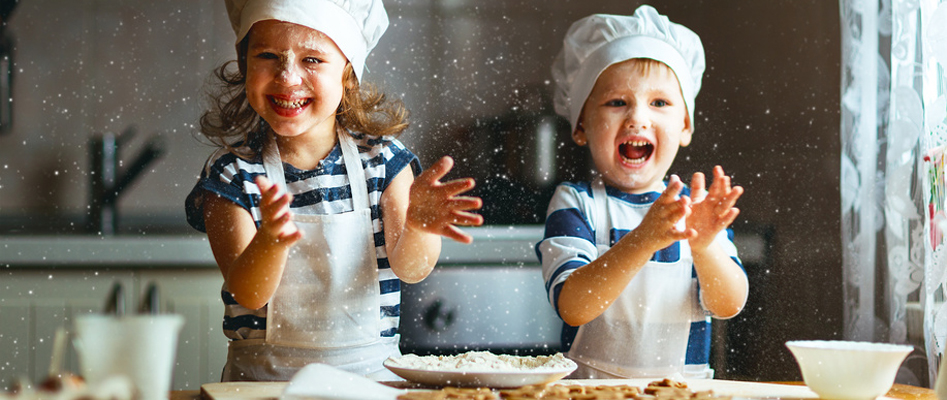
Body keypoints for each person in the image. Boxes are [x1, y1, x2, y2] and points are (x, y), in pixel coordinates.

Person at [184, 0, 483, 381]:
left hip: (371, 383)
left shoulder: (384, 162)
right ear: (244, 66)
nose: (288, 77)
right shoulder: (233, 176)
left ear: (348, 73)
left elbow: (411, 270)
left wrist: (419, 227)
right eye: (269, 56)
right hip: (263, 387)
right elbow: (249, 293)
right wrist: (271, 242)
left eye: (312, 60)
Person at [536, 5, 749, 379]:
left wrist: (703, 246)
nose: (637, 117)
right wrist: (643, 240)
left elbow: (729, 304)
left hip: (682, 392)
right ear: (581, 124)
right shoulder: (576, 203)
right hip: (588, 392)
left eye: (660, 103)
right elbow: (573, 305)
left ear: (685, 126)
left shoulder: (695, 210)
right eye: (617, 102)